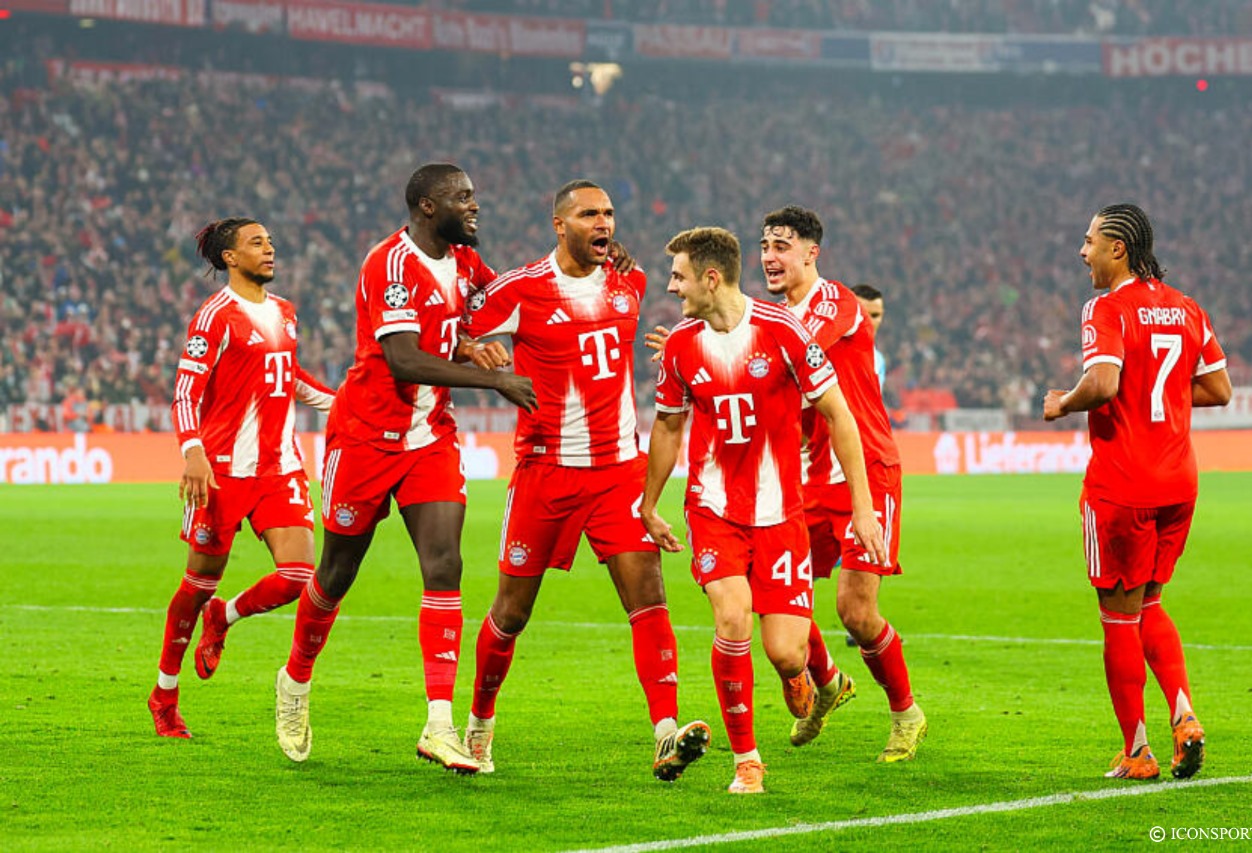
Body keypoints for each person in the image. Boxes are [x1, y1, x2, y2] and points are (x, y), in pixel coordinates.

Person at [273, 164, 538, 771]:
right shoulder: (390, 265)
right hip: (364, 439)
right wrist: (492, 378)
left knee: (445, 564)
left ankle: (439, 724)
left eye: (474, 195)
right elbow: (403, 360)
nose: (474, 206)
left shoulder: (467, 263)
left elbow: (513, 299)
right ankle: (295, 679)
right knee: (336, 572)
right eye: (462, 197)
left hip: (429, 439)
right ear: (427, 206)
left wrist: (589, 264)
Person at [460, 180, 710, 782]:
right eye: (590, 214)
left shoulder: (631, 281)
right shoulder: (521, 289)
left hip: (618, 472)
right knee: (511, 612)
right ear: (559, 224)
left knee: (648, 597)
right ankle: (479, 726)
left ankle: (666, 731)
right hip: (544, 472)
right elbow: (452, 326)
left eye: (610, 214)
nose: (605, 223)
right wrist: (472, 350)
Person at [641, 226, 887, 794]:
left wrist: (864, 507)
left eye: (679, 276)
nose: (672, 288)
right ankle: (747, 761)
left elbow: (839, 416)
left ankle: (812, 676)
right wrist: (648, 504)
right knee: (732, 619)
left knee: (784, 651)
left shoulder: (783, 331)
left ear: (710, 278)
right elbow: (668, 427)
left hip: (780, 514)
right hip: (713, 509)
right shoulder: (680, 345)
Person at [1044, 203, 1231, 781]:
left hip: (1123, 483)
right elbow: (1219, 389)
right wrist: (1162, 393)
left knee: (1118, 616)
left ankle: (1138, 751)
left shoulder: (1106, 307)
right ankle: (1185, 715)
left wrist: (1063, 403)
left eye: (1090, 241)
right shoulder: (1186, 307)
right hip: (1179, 482)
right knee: (1150, 602)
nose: (1083, 252)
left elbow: (1102, 383)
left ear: (1117, 248)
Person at [149, 217, 336, 738]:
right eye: (257, 243)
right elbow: (185, 392)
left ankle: (224, 616)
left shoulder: (285, 313)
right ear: (230, 257)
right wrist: (193, 452)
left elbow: (288, 376)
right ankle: (165, 694)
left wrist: (340, 403)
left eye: (270, 241)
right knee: (196, 586)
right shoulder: (215, 316)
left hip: (280, 468)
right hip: (221, 473)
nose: (269, 248)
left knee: (300, 576)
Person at [760, 207, 927, 761]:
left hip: (866, 471)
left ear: (812, 253)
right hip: (808, 478)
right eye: (764, 246)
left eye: (782, 246)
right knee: (776, 594)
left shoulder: (837, 303)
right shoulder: (772, 316)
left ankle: (906, 714)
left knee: (855, 610)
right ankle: (829, 682)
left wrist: (727, 340)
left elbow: (788, 354)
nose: (770, 257)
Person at [851, 283, 886, 393]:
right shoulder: (826, 352)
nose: (869, 322)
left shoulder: (878, 360)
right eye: (863, 314)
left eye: (875, 315)